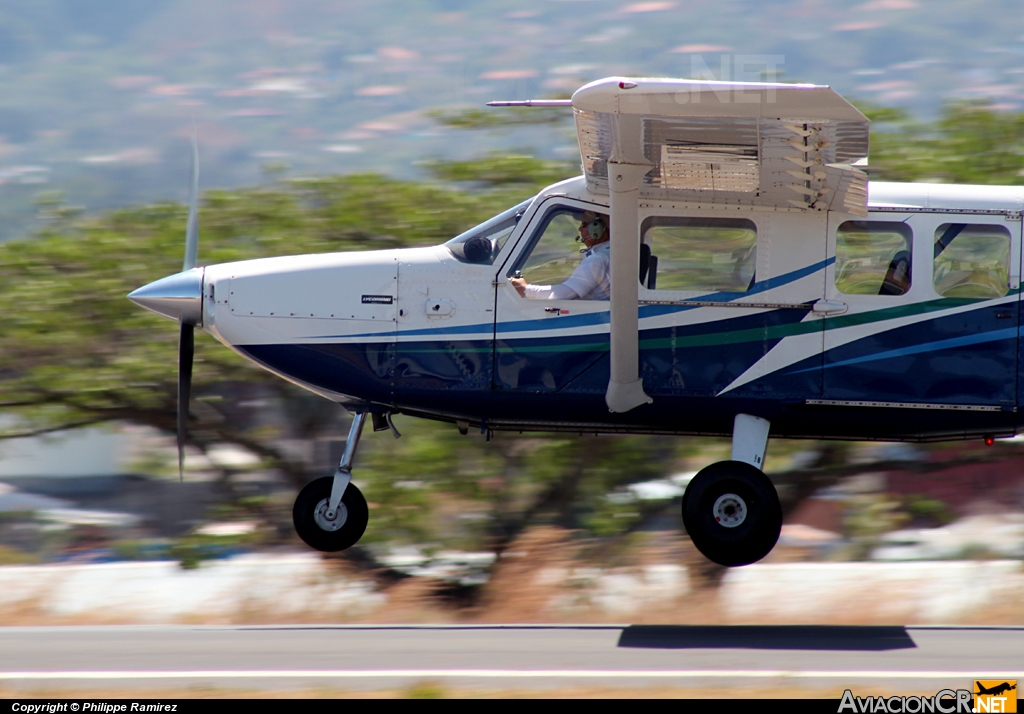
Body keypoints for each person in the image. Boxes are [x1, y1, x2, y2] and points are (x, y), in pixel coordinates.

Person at [510, 212, 611, 300]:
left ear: (597, 228)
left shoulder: (597, 259)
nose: (580, 229)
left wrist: (525, 289)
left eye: (584, 225)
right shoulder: (608, 252)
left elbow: (567, 293)